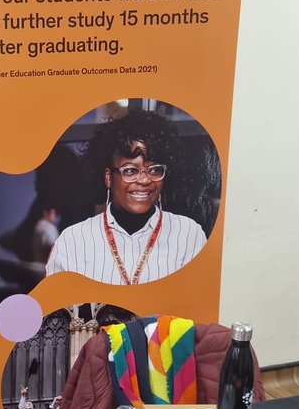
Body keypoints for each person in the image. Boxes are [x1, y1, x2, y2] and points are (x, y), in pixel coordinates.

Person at [46, 110, 207, 285]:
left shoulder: (189, 235)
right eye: (130, 170)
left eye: (155, 169)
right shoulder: (73, 242)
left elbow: (197, 307)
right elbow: (59, 311)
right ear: (109, 177)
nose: (145, 180)